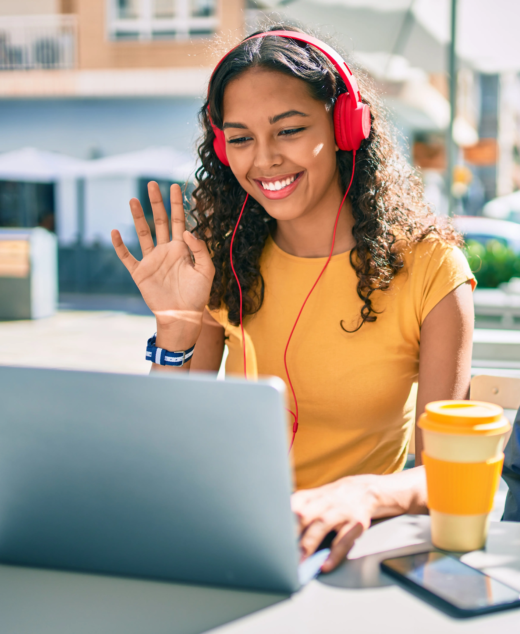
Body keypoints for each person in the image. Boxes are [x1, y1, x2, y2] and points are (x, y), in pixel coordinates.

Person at [110, 26, 475, 573]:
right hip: (225, 536)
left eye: (289, 130)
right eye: (240, 139)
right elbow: (166, 450)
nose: (264, 160)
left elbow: (449, 472)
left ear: (348, 126)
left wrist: (363, 495)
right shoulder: (222, 261)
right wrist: (176, 328)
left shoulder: (430, 267)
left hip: (343, 553)